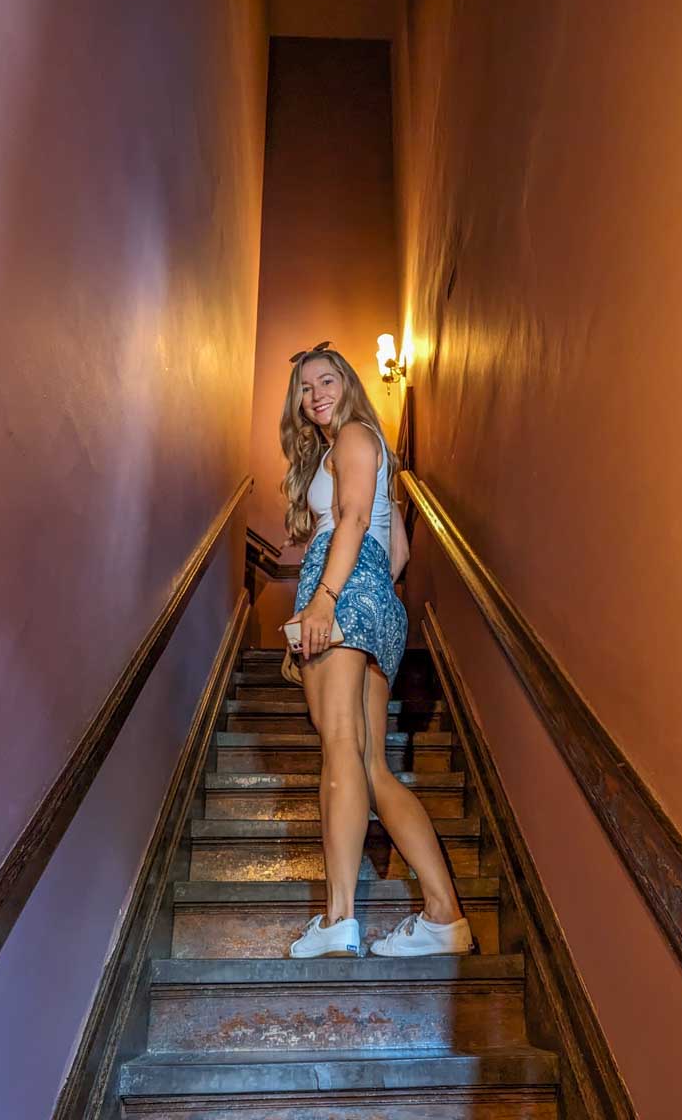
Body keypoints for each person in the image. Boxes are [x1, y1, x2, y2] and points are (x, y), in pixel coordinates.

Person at [279, 341, 473, 958]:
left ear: (349, 383)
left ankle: (337, 919)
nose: (316, 395)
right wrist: (360, 603)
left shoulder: (355, 438)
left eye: (326, 380)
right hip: (373, 601)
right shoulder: (366, 447)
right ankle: (444, 917)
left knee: (339, 746)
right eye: (306, 389)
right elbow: (399, 553)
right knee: (370, 765)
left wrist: (323, 600)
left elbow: (355, 521)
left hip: (342, 591)